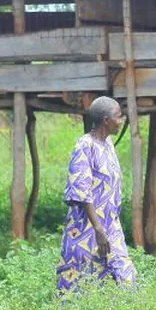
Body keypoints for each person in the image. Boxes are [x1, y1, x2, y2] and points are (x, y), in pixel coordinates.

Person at [56, 96, 137, 295]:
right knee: (77, 285)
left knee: (127, 276)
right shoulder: (84, 146)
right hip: (86, 228)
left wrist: (107, 226)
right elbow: (80, 190)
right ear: (105, 121)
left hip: (110, 226)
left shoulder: (108, 144)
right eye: (119, 116)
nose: (122, 120)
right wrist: (98, 229)